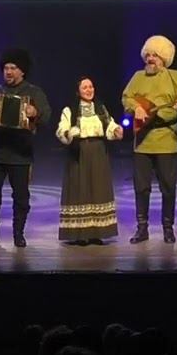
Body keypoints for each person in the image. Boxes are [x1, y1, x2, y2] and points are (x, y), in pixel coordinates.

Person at [121, 35, 177, 243]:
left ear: (164, 58)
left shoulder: (175, 76)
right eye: (148, 55)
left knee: (168, 187)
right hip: (142, 142)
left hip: (166, 141)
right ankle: (142, 228)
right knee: (141, 187)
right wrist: (136, 108)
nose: (150, 59)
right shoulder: (138, 76)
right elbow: (126, 97)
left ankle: (168, 228)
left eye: (155, 55)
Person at [0, 48, 52, 248]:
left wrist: (35, 113)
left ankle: (19, 233)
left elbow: (47, 116)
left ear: (22, 71)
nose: (8, 72)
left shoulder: (33, 92)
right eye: (6, 68)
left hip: (21, 155)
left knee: (21, 196)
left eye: (13, 68)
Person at [55, 77, 124, 245]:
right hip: (79, 153)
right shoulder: (70, 110)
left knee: (98, 189)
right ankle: (80, 233)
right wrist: (69, 133)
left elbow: (109, 124)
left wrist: (116, 130)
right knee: (80, 189)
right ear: (78, 91)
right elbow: (61, 130)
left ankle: (97, 232)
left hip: (98, 152)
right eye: (84, 87)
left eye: (91, 86)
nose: (89, 90)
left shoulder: (100, 108)